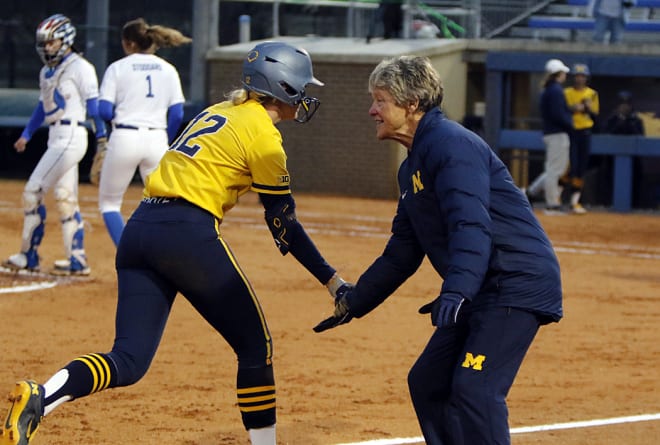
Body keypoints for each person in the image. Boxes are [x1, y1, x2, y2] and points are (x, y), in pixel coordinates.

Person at [0, 41, 351, 445]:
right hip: (187, 234)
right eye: (302, 86)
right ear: (284, 87)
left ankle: (39, 400)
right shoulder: (266, 138)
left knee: (127, 360)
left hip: (140, 228)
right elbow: (283, 224)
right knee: (256, 348)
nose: (306, 95)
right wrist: (333, 282)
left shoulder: (218, 111)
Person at [313, 55, 563, 445]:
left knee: (475, 390)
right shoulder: (413, 165)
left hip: (515, 282)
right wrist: (355, 301)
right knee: (428, 381)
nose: (372, 110)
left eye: (380, 100)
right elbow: (402, 252)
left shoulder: (452, 146)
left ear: (411, 104)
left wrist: (457, 290)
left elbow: (471, 225)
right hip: (483, 285)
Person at [2, 14, 106, 276]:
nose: (47, 47)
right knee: (64, 197)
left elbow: (93, 106)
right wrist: (27, 133)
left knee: (32, 191)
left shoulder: (81, 67)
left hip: (72, 134)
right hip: (56, 135)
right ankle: (77, 260)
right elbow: (42, 106)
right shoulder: (46, 71)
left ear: (66, 39)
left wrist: (102, 138)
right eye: (44, 43)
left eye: (52, 42)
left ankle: (29, 255)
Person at [92, 18, 190, 246]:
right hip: (157, 138)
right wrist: (166, 140)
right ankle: (169, 256)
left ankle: (128, 253)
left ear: (130, 44)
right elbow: (176, 114)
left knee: (109, 204)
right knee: (163, 204)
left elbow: (104, 110)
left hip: (125, 136)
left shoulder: (117, 67)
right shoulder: (168, 69)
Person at [526, 58, 574, 214]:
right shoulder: (556, 90)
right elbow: (558, 114)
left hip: (551, 133)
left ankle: (530, 193)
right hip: (557, 134)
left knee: (553, 169)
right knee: (555, 170)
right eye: (563, 73)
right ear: (558, 74)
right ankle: (551, 204)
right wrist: (571, 123)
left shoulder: (549, 89)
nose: (565, 75)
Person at [563, 63, 599, 214]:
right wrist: (576, 108)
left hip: (585, 131)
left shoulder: (592, 93)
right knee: (570, 166)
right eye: (577, 76)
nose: (580, 79)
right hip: (570, 131)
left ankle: (575, 201)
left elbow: (595, 114)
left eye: (583, 76)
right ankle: (558, 197)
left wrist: (586, 107)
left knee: (581, 167)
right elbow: (565, 110)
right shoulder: (567, 92)